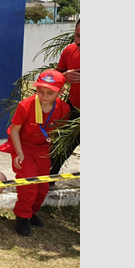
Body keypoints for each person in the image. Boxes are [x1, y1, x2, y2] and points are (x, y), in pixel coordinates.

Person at [0, 69, 70, 236]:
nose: (44, 96)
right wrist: (19, 153)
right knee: (28, 182)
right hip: (23, 146)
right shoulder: (25, 105)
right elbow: (15, 131)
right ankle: (22, 216)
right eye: (40, 91)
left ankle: (31, 213)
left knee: (43, 185)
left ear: (61, 92)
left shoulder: (64, 108)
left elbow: (59, 132)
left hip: (43, 149)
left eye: (49, 92)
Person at [50, 19, 80, 174]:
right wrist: (64, 77)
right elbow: (56, 75)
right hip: (75, 109)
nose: (80, 41)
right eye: (78, 35)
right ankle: (48, 180)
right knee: (60, 148)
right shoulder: (70, 50)